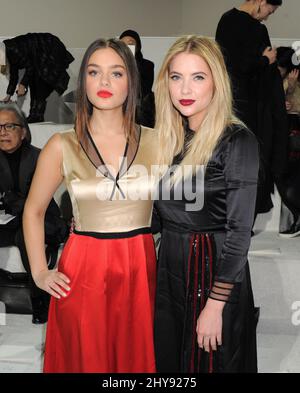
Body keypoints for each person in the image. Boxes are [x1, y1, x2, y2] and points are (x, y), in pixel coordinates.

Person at [23, 38, 158, 373]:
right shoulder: (62, 145)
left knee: (136, 361)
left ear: (132, 80)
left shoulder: (159, 140)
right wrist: (39, 271)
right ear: (83, 81)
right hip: (83, 268)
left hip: (140, 266)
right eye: (95, 72)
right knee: (86, 359)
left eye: (116, 73)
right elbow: (33, 210)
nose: (105, 82)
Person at [153, 36, 259, 373]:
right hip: (170, 264)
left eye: (198, 76)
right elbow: (161, 214)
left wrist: (215, 305)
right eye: (176, 76)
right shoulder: (168, 139)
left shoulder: (236, 140)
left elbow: (240, 230)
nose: (185, 87)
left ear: (216, 82)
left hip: (212, 268)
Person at [215, 0, 287, 218]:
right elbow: (237, 66)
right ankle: (239, 214)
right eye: (269, 10)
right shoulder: (251, 28)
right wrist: (265, 60)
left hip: (234, 104)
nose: (267, 16)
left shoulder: (228, 20)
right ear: (261, 1)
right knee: (246, 160)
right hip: (246, 108)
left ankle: (236, 215)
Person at [0, 102, 67, 324]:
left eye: (9, 126)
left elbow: (37, 204)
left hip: (44, 221)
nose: (3, 133)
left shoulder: (40, 157)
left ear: (24, 132)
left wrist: (10, 200)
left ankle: (41, 302)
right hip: (8, 222)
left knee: (23, 236)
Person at [1, 33, 74, 123]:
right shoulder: (7, 52)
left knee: (41, 81)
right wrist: (9, 95)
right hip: (39, 57)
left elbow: (30, 66)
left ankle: (37, 116)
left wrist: (23, 84)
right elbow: (14, 74)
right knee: (34, 80)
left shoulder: (12, 50)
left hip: (49, 49)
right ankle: (34, 115)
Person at [276, 47, 300, 237]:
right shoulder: (279, 81)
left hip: (295, 129)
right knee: (283, 177)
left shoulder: (292, 80)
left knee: (290, 177)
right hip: (284, 129)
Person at [120, 29, 155, 127]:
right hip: (119, 110)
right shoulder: (115, 66)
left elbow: (144, 89)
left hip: (140, 113)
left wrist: (131, 65)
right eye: (123, 44)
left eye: (130, 43)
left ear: (137, 46)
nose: (126, 47)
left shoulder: (147, 65)